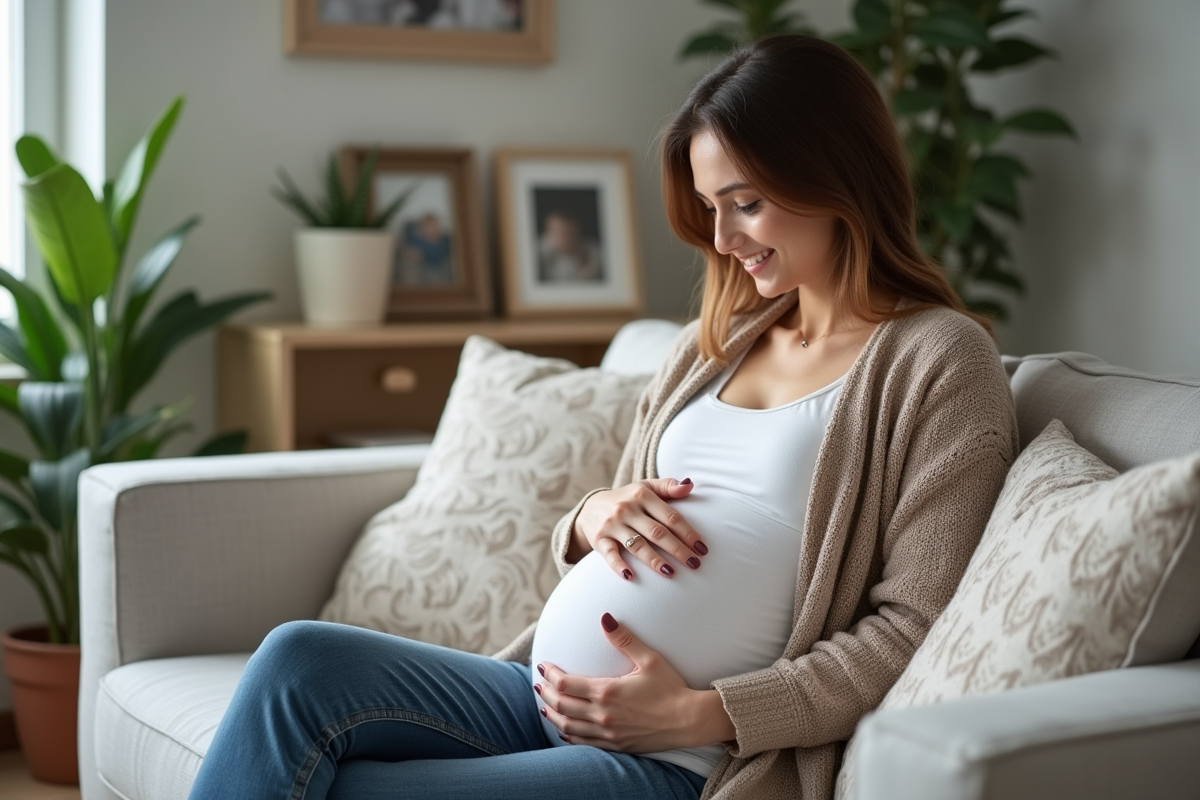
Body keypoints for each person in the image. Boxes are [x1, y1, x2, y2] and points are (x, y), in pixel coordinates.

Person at [187, 35, 1017, 800]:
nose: (723, 238)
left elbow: (910, 631)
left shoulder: (938, 361)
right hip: (535, 694)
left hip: (669, 760)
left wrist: (701, 715)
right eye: (710, 206)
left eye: (746, 203)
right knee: (297, 660)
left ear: (835, 177)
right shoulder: (711, 346)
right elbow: (621, 520)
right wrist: (588, 518)